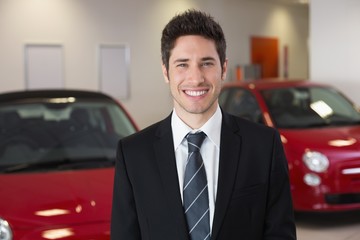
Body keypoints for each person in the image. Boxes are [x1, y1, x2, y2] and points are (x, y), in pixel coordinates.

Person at [111, 9, 296, 240]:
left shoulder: (263, 145)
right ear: (165, 71)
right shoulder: (134, 154)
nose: (196, 78)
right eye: (182, 64)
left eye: (206, 63)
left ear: (224, 68)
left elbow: (280, 234)